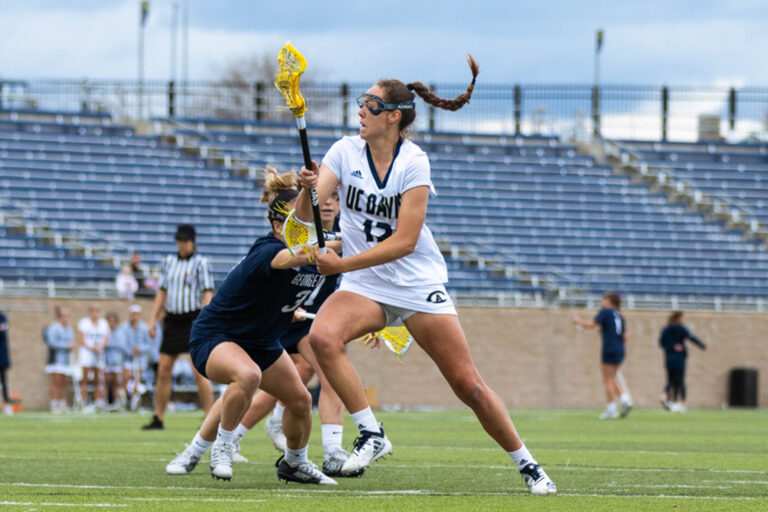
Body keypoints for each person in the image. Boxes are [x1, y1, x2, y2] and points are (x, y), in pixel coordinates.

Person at [294, 56, 556, 495]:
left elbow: (405, 242)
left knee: (467, 385)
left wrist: (340, 266)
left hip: (414, 282)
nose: (361, 110)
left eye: (370, 104)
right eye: (362, 102)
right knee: (322, 337)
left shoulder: (414, 162)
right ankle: (371, 433)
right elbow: (306, 219)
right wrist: (305, 189)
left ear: (393, 116)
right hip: (366, 284)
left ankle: (528, 464)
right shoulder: (342, 151)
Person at [164, 168, 342, 485]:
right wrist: (343, 243)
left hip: (261, 341)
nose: (305, 229)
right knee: (246, 375)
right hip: (216, 335)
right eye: (296, 224)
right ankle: (223, 446)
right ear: (278, 226)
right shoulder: (268, 250)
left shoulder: (320, 255)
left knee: (300, 401)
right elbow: (292, 258)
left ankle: (294, 463)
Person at [143, 223, 215, 430]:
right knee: (163, 369)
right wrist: (152, 319)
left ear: (192, 242)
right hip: (172, 320)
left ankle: (209, 416)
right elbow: (162, 292)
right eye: (179, 240)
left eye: (185, 241)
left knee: (198, 370)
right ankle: (158, 417)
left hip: (192, 319)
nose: (182, 245)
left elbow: (207, 293)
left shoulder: (201, 263)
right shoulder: (168, 262)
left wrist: (205, 319)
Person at [573, 291, 633, 419]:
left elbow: (592, 324)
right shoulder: (619, 315)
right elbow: (625, 336)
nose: (602, 301)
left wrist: (579, 322)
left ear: (609, 301)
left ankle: (611, 408)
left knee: (607, 379)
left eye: (604, 299)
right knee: (613, 376)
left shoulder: (605, 312)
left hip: (609, 349)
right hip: (620, 349)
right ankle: (624, 398)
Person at [659, 311, 706, 413]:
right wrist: (702, 345)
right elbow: (692, 337)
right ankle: (682, 403)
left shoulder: (665, 330)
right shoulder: (681, 329)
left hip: (669, 358)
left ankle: (666, 396)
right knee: (680, 380)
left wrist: (670, 347)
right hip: (679, 358)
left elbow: (661, 343)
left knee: (671, 379)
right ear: (679, 318)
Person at [76, 304, 110, 411]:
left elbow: (106, 339)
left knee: (97, 379)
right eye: (92, 311)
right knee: (85, 379)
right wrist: (92, 347)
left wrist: (99, 347)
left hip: (98, 353)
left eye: (96, 311)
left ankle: (97, 402)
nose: (94, 313)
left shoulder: (103, 324)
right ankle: (82, 402)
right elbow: (81, 339)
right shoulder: (84, 323)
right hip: (87, 353)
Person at [120, 304, 153, 410]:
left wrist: (139, 349)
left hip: (140, 358)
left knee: (137, 379)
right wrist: (131, 351)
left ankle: (134, 400)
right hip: (128, 358)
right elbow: (123, 344)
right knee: (125, 377)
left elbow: (148, 344)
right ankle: (125, 400)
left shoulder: (143, 328)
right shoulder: (124, 327)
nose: (135, 316)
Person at [45, 307, 75, 413]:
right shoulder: (54, 327)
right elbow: (52, 342)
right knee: (56, 382)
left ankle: (62, 403)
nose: (66, 318)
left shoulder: (69, 329)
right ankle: (54, 403)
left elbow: (71, 341)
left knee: (64, 382)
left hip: (66, 360)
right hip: (56, 359)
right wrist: (66, 346)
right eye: (64, 316)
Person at [103, 312, 127, 410]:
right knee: (106, 382)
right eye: (110, 321)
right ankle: (105, 402)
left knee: (117, 382)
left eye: (113, 321)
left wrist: (108, 344)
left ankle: (118, 402)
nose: (111, 323)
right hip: (106, 360)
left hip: (117, 360)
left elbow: (120, 345)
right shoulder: (105, 332)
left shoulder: (120, 332)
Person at [0, 310, 16, 415]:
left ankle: (7, 405)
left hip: (1, 356)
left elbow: (3, 330)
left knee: (4, 381)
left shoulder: (2, 317)